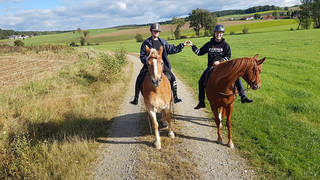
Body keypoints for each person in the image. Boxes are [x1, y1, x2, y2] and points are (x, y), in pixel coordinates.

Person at [191, 24, 253, 110]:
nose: (218, 34)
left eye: (220, 33)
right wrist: (192, 45)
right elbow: (199, 52)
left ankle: (243, 96)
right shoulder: (209, 44)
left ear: (222, 34)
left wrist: (220, 62)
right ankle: (201, 102)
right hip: (211, 67)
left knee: (236, 77)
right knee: (201, 81)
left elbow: (228, 56)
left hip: (224, 67)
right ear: (214, 33)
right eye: (217, 33)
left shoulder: (225, 45)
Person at [130, 22, 190, 105]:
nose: (156, 32)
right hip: (149, 66)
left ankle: (175, 97)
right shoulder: (146, 43)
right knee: (139, 78)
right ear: (151, 31)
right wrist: (147, 61)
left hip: (162, 65)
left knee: (172, 77)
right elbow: (142, 55)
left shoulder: (163, 42)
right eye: (155, 31)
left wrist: (182, 45)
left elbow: (172, 49)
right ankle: (135, 98)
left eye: (158, 31)